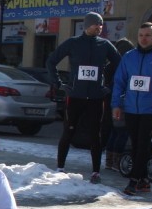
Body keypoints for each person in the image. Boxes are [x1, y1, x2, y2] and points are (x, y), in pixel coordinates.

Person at [47, 12, 121, 183]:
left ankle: (96, 171)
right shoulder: (73, 43)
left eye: (101, 25)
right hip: (75, 96)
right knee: (69, 131)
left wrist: (108, 86)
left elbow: (120, 64)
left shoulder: (105, 45)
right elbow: (51, 61)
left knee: (96, 134)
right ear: (87, 25)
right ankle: (60, 167)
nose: (99, 27)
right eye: (96, 24)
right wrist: (59, 84)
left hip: (95, 97)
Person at [111, 22, 152, 195]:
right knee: (135, 145)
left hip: (151, 110)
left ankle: (133, 181)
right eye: (141, 35)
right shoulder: (129, 57)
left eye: (148, 35)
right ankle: (144, 181)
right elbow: (119, 81)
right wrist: (116, 104)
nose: (144, 38)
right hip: (131, 109)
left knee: (142, 144)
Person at [104, 38, 134, 170]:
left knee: (115, 131)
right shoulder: (125, 66)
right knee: (122, 132)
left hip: (112, 102)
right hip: (122, 102)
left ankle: (109, 161)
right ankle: (116, 162)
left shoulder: (109, 66)